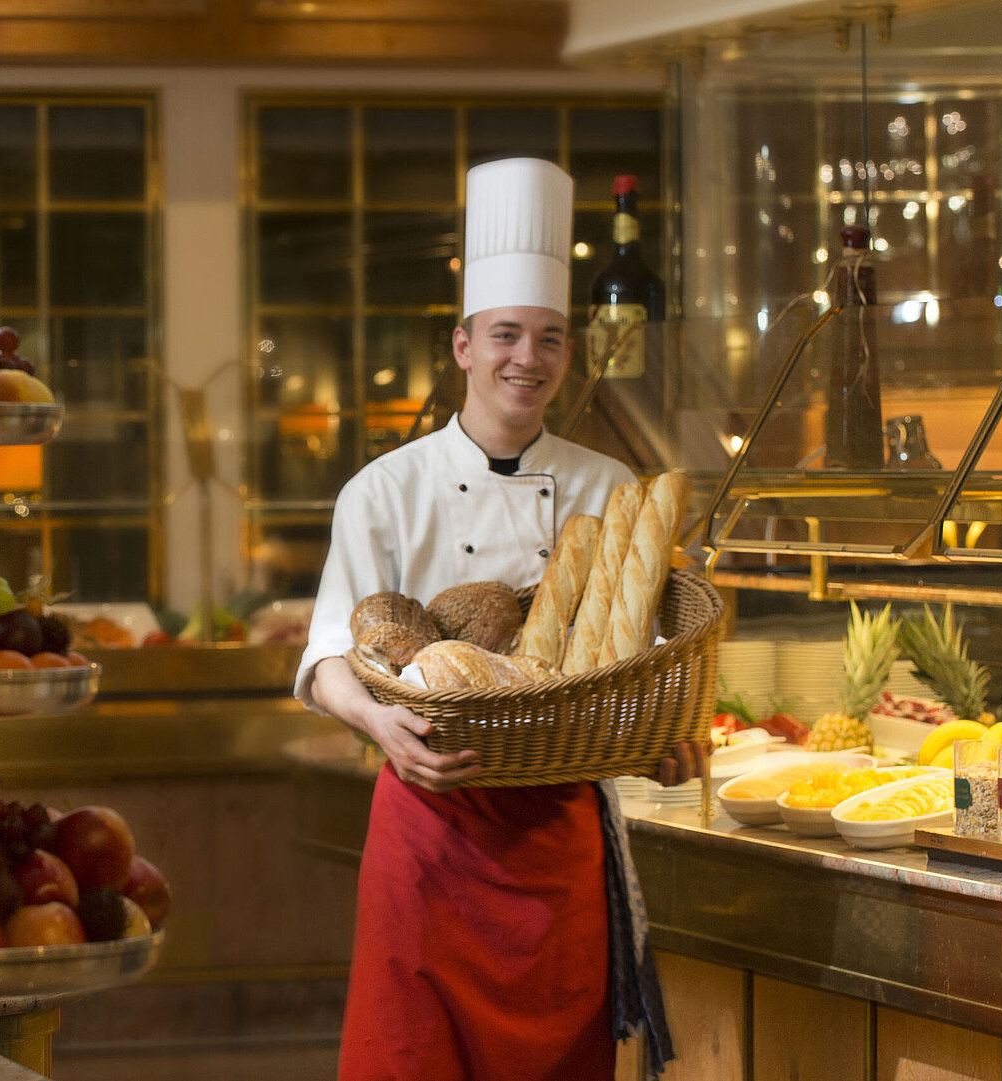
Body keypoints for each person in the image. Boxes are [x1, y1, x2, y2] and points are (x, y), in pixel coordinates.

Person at [295, 157, 702, 1081]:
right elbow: (327, 657)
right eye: (508, 334)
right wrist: (381, 722)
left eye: (551, 338)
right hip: (429, 825)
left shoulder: (611, 491)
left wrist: (667, 734)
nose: (529, 357)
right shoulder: (385, 490)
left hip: (558, 841)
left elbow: (630, 665)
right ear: (463, 344)